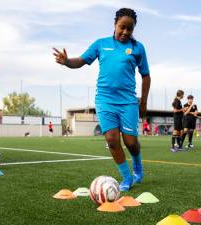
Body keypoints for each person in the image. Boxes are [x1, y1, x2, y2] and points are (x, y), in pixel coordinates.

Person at [52, 8, 150, 191]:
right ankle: (127, 177)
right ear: (115, 24)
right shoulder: (101, 44)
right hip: (105, 100)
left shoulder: (138, 48)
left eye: (130, 29)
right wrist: (66, 61)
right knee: (112, 140)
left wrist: (143, 102)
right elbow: (80, 61)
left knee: (131, 143)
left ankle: (137, 164)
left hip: (128, 101)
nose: (125, 32)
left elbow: (146, 76)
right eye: (122, 27)